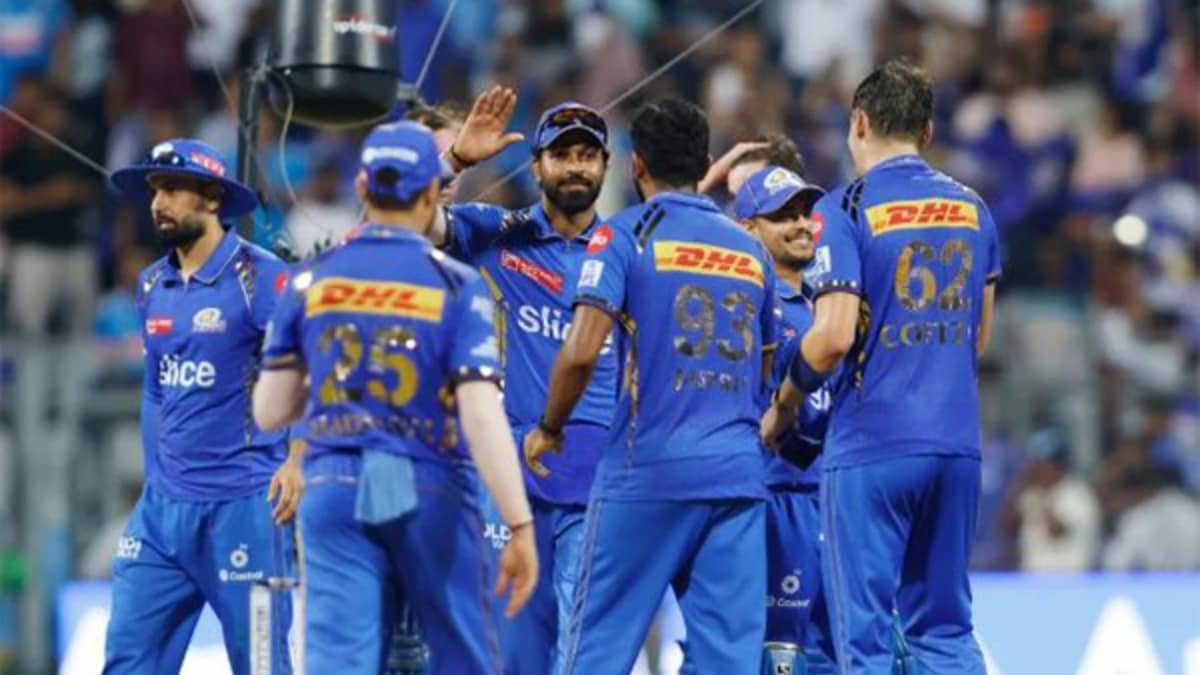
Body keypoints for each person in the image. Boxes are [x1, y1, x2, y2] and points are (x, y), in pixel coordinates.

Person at [251, 121, 539, 675]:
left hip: (332, 486)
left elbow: (269, 410)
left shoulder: (311, 281)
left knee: (340, 663)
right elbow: (482, 416)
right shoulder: (455, 285)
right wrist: (519, 524)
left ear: (362, 187)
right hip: (428, 481)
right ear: (432, 192)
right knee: (462, 657)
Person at [761, 60, 1000, 674]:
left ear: (859, 122)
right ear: (928, 131)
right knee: (945, 630)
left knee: (861, 638)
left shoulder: (846, 207)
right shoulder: (974, 208)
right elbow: (978, 339)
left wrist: (785, 404)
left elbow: (832, 337)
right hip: (956, 445)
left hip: (873, 446)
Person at [525, 97, 776, 674]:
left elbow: (581, 350)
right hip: (736, 475)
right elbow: (765, 366)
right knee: (728, 664)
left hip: (647, 471)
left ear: (635, 164)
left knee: (594, 652)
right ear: (705, 163)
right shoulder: (749, 249)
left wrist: (550, 427)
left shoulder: (624, 236)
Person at [430, 92, 618, 674]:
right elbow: (405, 220)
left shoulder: (627, 250)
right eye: (562, 155)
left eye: (588, 155)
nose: (576, 167)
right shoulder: (495, 233)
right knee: (508, 648)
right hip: (512, 470)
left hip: (599, 474)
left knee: (584, 653)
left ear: (606, 166)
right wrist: (456, 161)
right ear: (536, 167)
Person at [103, 139, 296, 675]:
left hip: (244, 508)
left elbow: (307, 371)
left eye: (172, 189)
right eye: (153, 191)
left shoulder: (262, 277)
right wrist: (156, 481)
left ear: (212, 198)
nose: (157, 203)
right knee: (127, 661)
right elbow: (155, 390)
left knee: (262, 664)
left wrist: (299, 460)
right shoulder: (151, 283)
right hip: (161, 515)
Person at [733, 165, 837, 675]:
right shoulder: (748, 305)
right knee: (780, 656)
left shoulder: (831, 307)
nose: (800, 224)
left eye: (804, 213)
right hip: (778, 497)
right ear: (749, 228)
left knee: (838, 655)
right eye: (782, 216)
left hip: (834, 500)